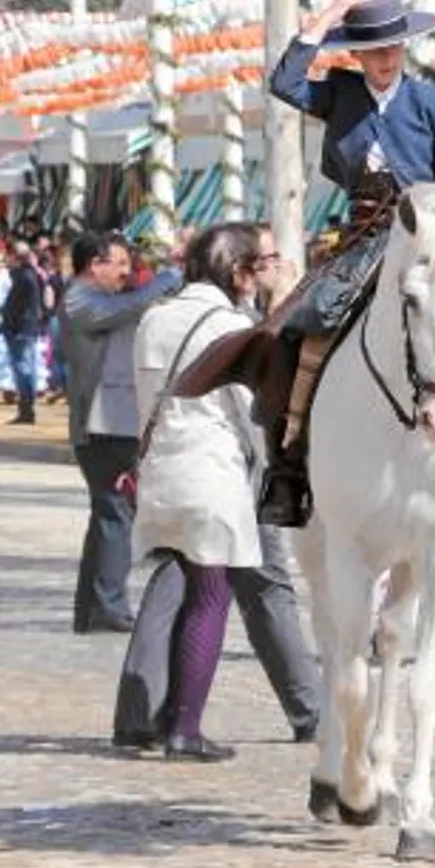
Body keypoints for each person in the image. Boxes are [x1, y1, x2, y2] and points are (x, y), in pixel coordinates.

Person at [213, 0, 435, 528]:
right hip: (361, 236)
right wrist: (324, 17)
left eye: (393, 46)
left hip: (429, 231)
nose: (386, 57)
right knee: (297, 326)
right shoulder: (340, 93)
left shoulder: (433, 101)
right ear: (355, 54)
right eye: (373, 49)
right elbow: (283, 83)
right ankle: (289, 461)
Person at [113, 225, 324, 753]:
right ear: (237, 272)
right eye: (259, 267)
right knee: (211, 595)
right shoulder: (230, 326)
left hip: (163, 467)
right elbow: (252, 415)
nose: (262, 278)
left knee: (184, 583)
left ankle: (159, 718)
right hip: (214, 471)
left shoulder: (155, 317)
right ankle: (185, 728)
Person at [63, 232, 183, 634]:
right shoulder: (79, 297)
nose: (125, 272)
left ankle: (92, 608)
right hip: (102, 427)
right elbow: (124, 308)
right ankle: (109, 607)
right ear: (93, 265)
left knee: (107, 516)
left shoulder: (103, 299)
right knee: (116, 514)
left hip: (114, 424)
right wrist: (166, 279)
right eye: (117, 263)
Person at [0, 241, 47, 424]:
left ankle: (26, 407)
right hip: (27, 328)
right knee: (27, 367)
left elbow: (14, 306)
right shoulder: (31, 275)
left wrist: (8, 325)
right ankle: (27, 406)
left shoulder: (22, 277)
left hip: (20, 329)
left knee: (22, 368)